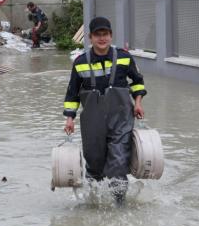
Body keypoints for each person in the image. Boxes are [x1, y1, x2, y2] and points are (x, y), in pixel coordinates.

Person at [62, 16, 147, 206]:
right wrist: (69, 119)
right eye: (97, 35)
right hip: (92, 123)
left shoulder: (125, 58)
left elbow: (138, 82)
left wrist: (138, 102)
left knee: (118, 162)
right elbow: (72, 94)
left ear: (111, 36)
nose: (102, 39)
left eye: (105, 34)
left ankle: (119, 204)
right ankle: (95, 202)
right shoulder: (80, 62)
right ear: (90, 38)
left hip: (121, 120)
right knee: (94, 164)